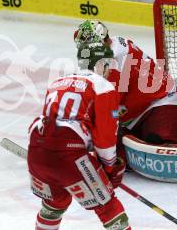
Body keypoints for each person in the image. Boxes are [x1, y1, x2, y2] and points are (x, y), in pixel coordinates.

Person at [74, 20, 177, 186]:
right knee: (118, 149)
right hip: (135, 110)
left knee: (157, 146)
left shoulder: (114, 61)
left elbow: (109, 108)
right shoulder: (114, 45)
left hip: (161, 102)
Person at [27, 42, 131, 230]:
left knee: (55, 203)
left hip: (36, 150)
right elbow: (105, 139)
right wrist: (109, 168)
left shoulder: (57, 82)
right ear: (102, 63)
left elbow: (52, 122)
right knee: (107, 207)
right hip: (69, 156)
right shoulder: (103, 86)